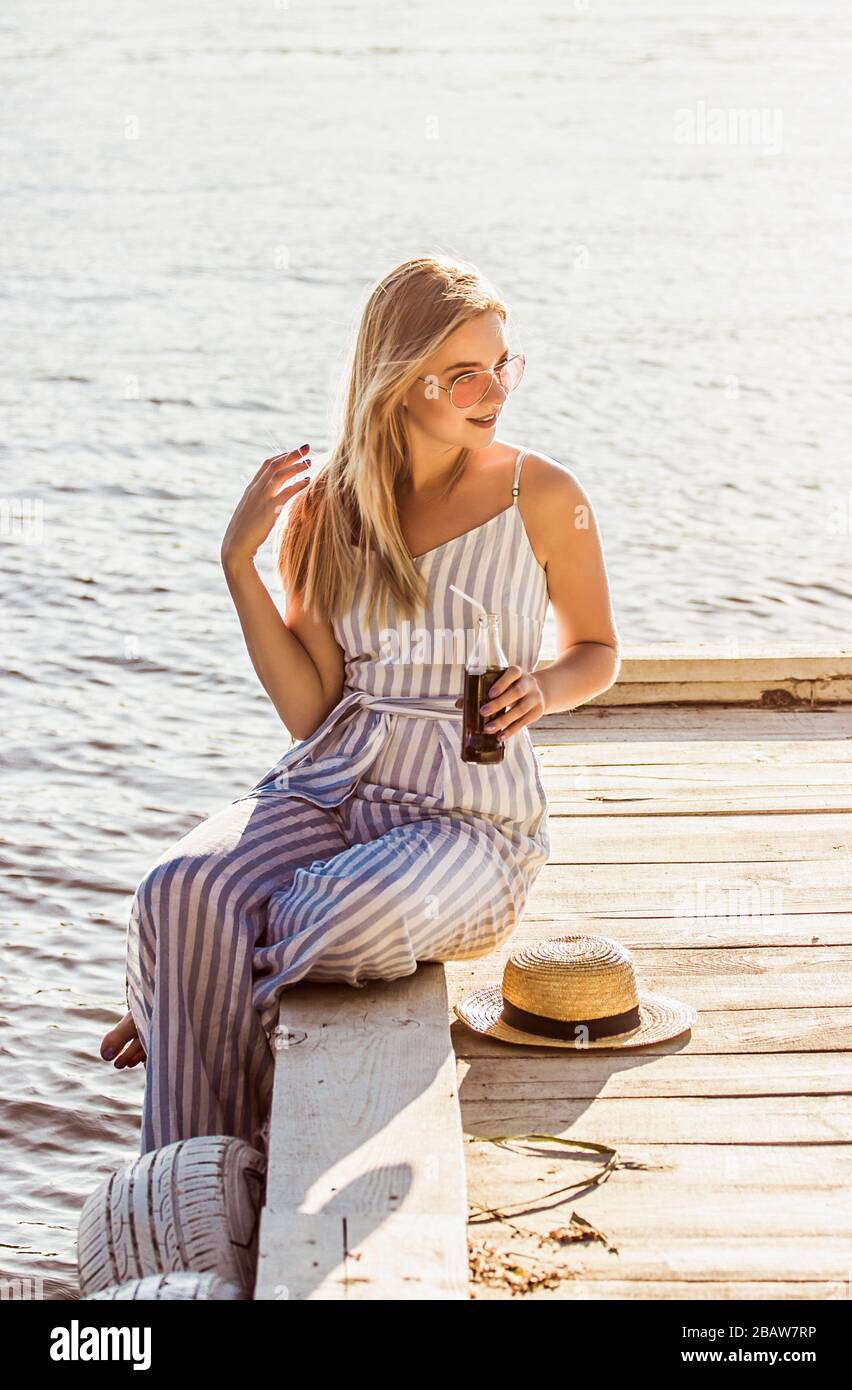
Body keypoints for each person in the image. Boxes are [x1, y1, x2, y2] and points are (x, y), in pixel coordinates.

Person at [98, 254, 621, 1157]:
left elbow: (597, 651)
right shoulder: (328, 509)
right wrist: (240, 567)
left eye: (504, 366)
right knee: (178, 890)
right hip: (333, 788)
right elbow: (314, 712)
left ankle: (191, 1036)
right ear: (400, 379)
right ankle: (187, 1184)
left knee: (339, 913)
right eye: (466, 374)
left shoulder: (541, 494)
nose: (493, 390)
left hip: (471, 819)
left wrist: (545, 686)